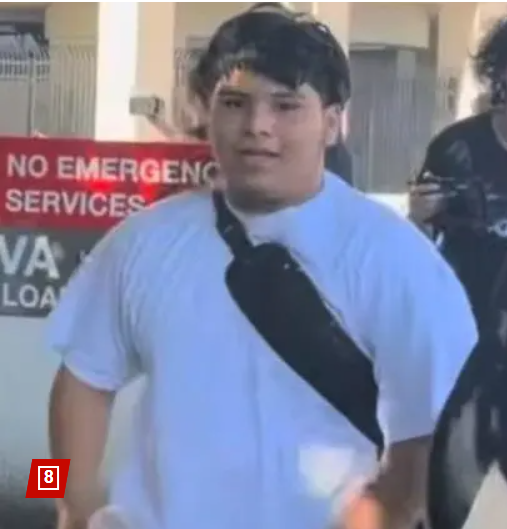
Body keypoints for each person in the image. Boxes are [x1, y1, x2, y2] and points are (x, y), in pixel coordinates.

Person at [46, 5, 477, 529]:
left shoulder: (397, 261)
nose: (257, 126)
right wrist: (65, 502)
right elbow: (79, 384)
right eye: (235, 103)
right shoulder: (143, 243)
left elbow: (429, 442)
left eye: (286, 106)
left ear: (333, 123)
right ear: (207, 112)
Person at [408, 7, 507, 331]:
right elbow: (414, 254)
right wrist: (417, 220)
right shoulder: (457, 148)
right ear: (502, 69)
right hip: (462, 332)